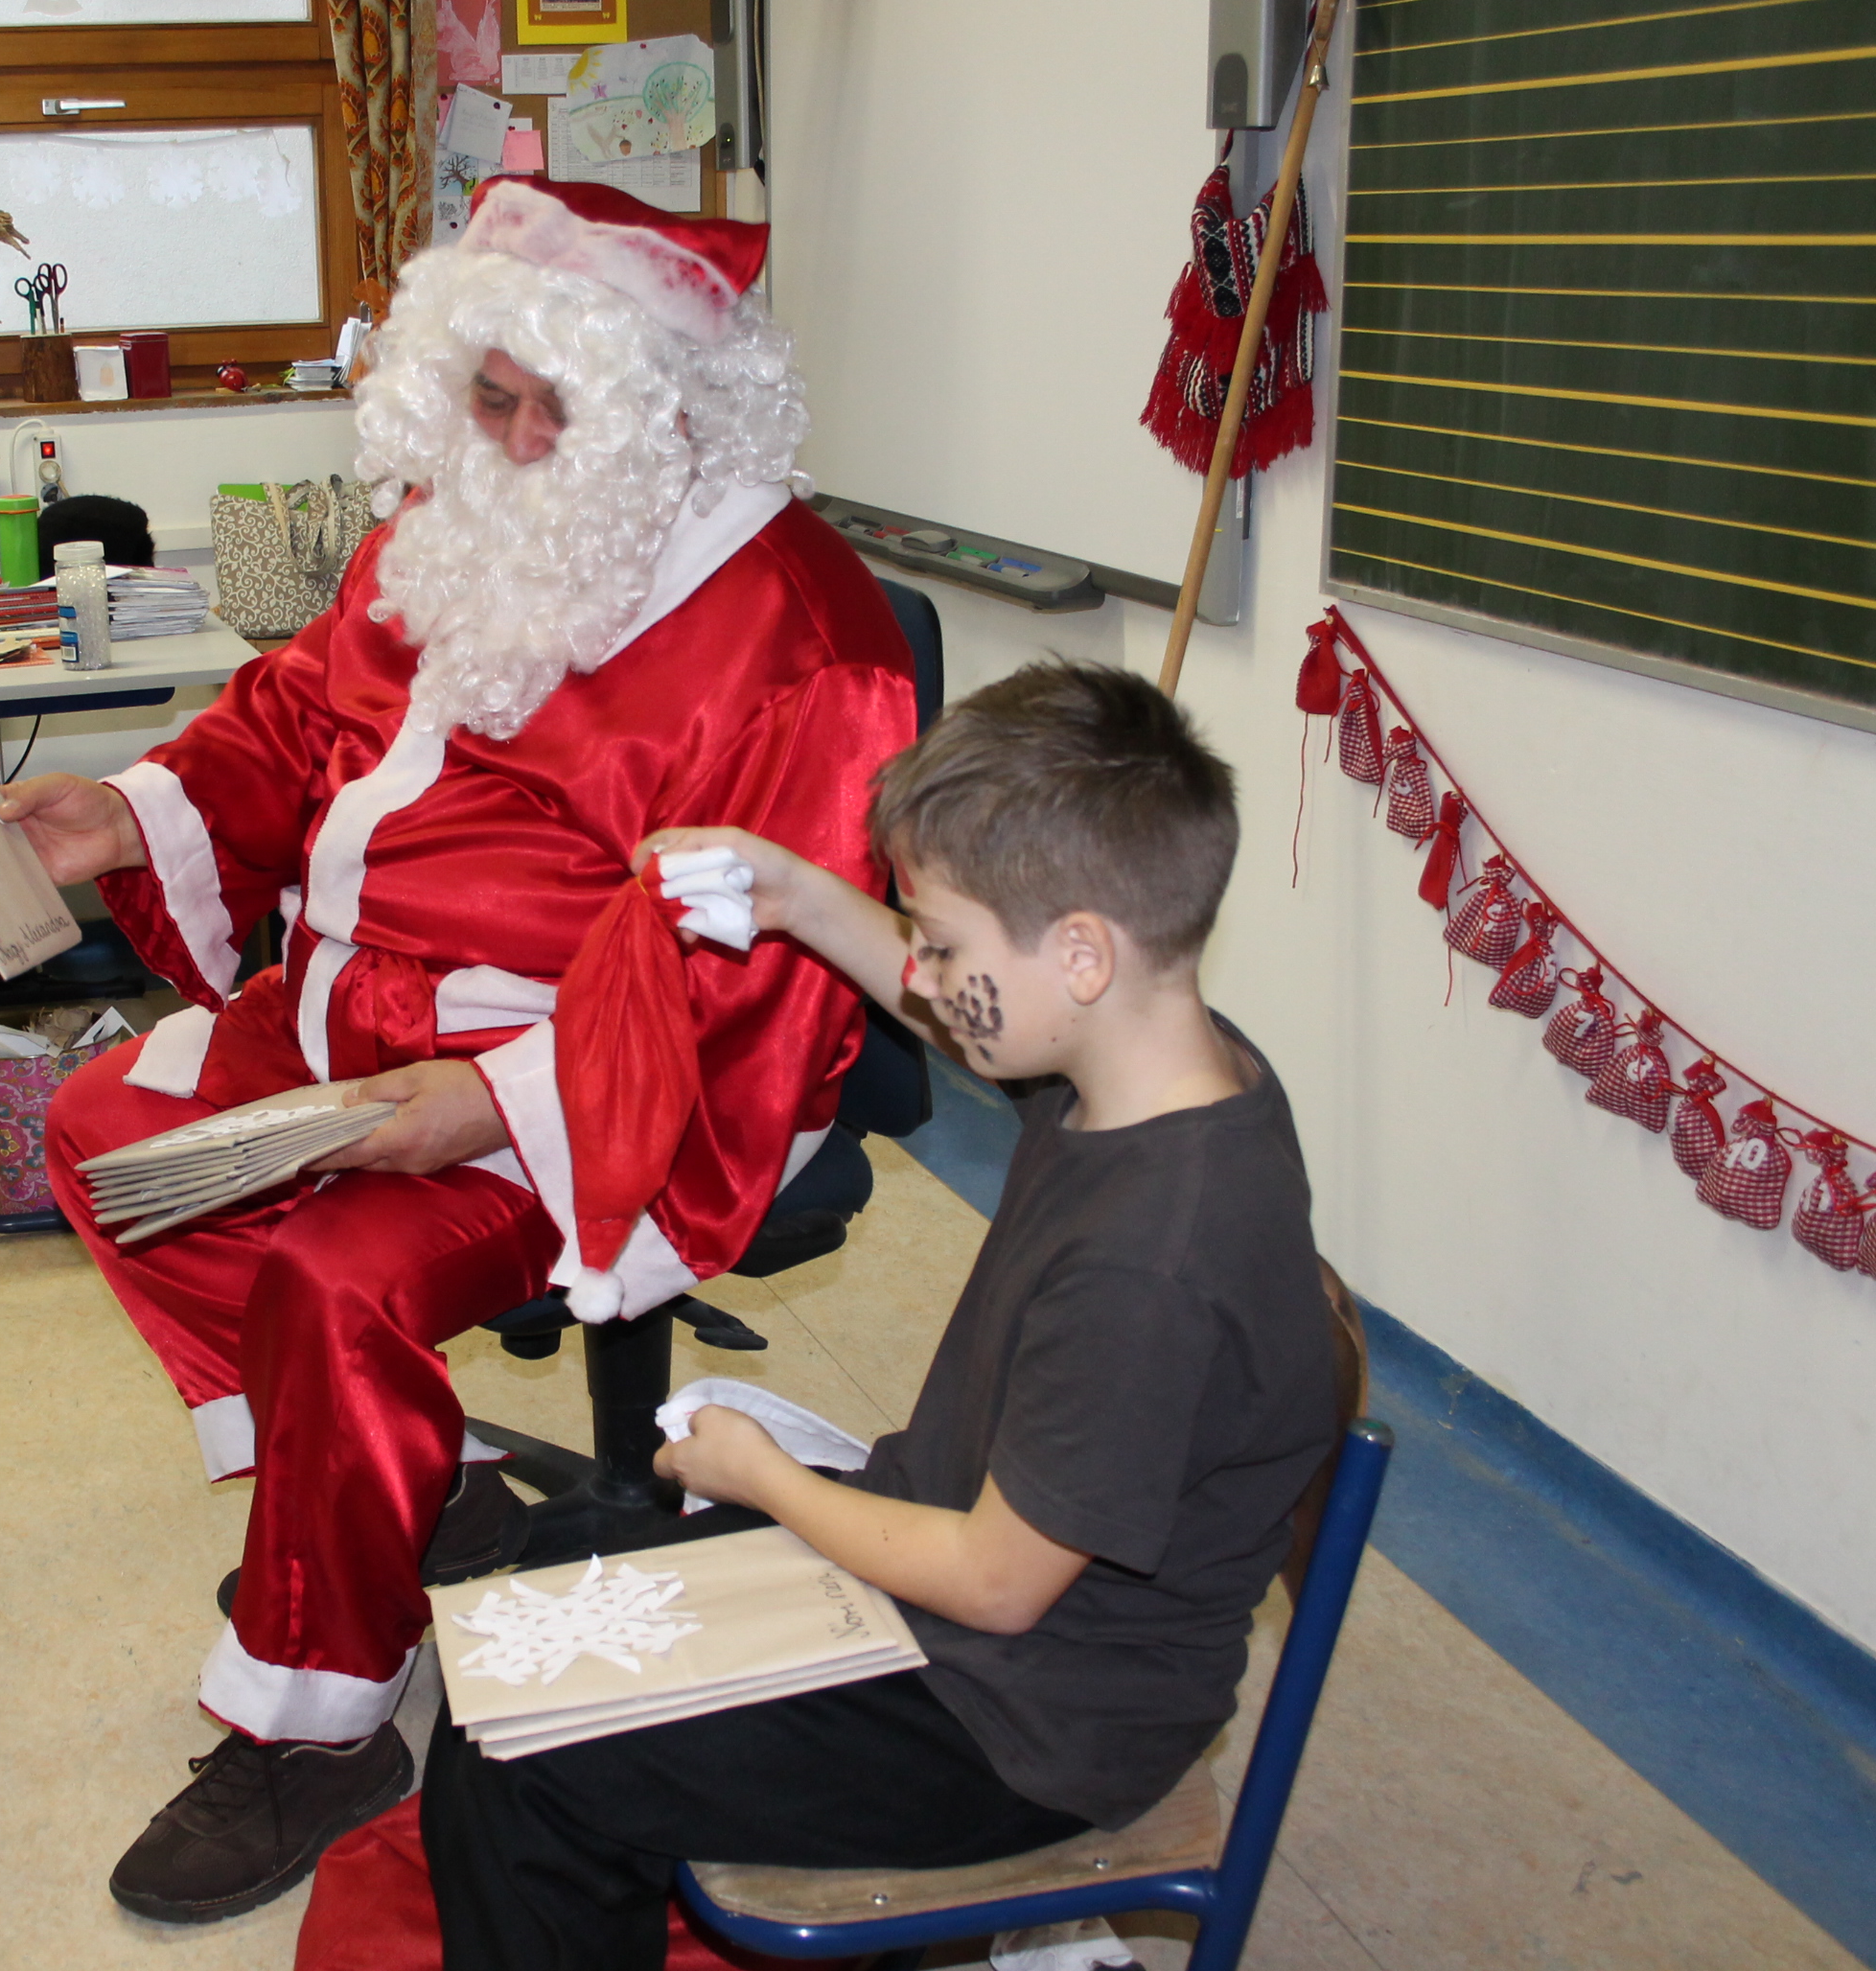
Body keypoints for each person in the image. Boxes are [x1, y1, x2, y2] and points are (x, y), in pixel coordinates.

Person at [0, 178, 918, 1920]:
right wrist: (130, 810)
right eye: (484, 397)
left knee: (333, 1282)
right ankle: (415, 1488)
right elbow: (299, 712)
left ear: (665, 402)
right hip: (348, 1023)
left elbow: (759, 978)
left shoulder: (804, 639)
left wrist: (490, 1104)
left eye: (551, 406)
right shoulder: (452, 517)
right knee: (108, 1135)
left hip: (597, 1086)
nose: (509, 442)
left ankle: (322, 1727)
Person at [419, 661, 1341, 1969]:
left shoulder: (1152, 1267)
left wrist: (768, 1478)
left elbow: (999, 1587)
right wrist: (795, 898)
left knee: (519, 1760)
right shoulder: (1160, 1060)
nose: (929, 972)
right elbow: (979, 1021)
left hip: (1015, 1726)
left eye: (946, 944)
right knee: (560, 1583)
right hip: (975, 1614)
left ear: (1082, 954)